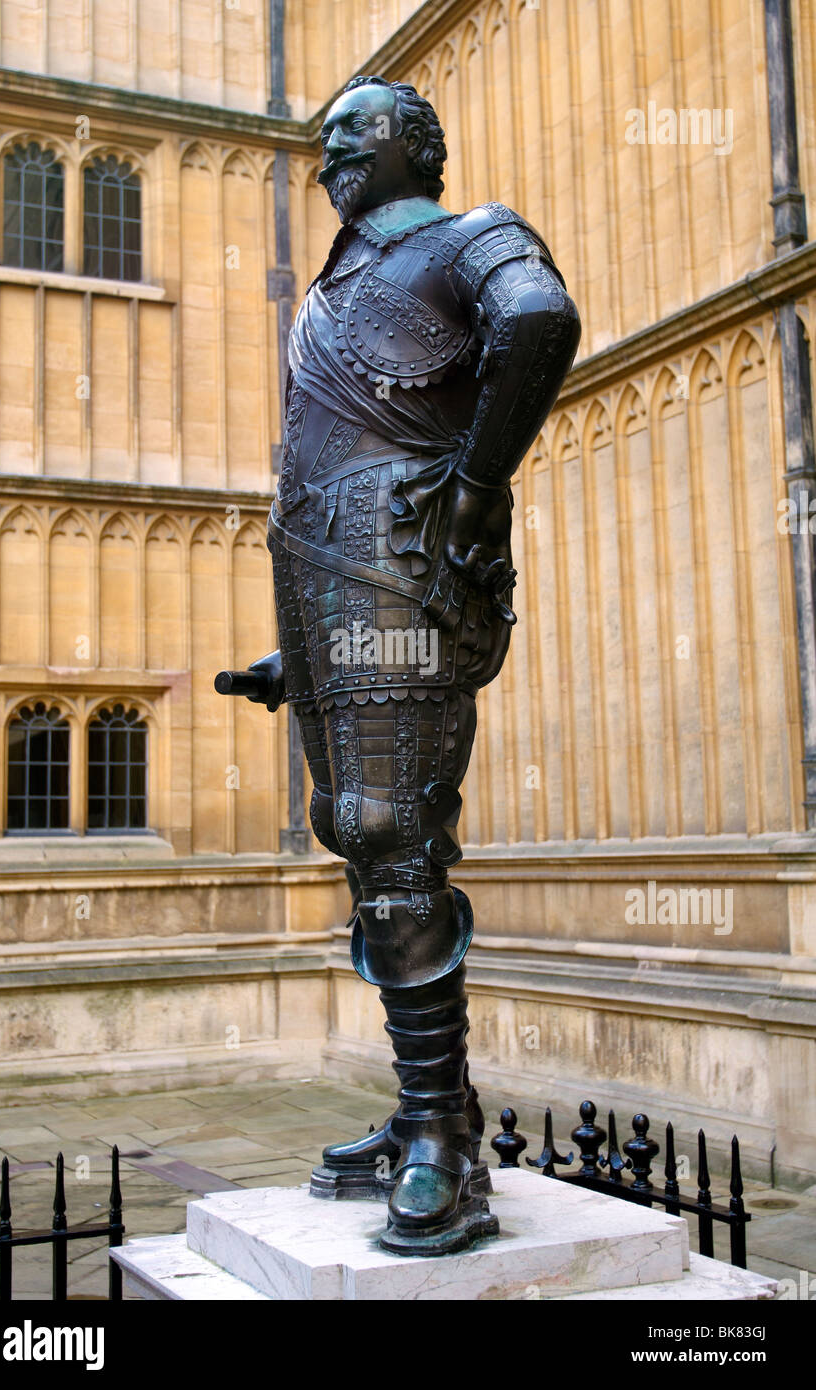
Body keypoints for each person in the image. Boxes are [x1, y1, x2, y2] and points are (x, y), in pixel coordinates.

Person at [237, 74, 580, 1255]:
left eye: (357, 129)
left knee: (388, 821)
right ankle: (427, 1107)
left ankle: (441, 1138)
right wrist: (304, 646)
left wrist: (479, 488)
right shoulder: (331, 283)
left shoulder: (470, 235)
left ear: (416, 147)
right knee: (363, 830)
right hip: (329, 581)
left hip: (403, 568)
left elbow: (537, 321)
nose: (331, 145)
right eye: (325, 132)